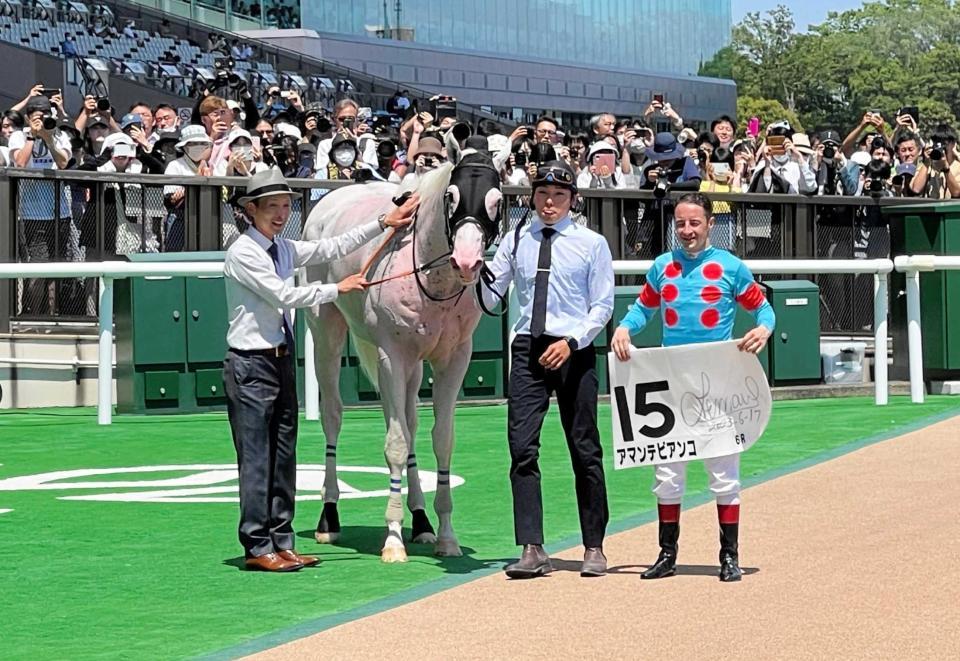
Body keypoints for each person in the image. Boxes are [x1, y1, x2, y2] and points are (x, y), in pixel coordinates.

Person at [222, 169, 419, 571]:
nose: (281, 214)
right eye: (272, 206)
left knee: (284, 456)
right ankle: (258, 546)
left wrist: (383, 223)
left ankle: (282, 540)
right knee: (257, 459)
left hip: (279, 359)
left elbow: (332, 246)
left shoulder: (282, 248)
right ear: (251, 210)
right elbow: (283, 294)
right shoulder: (243, 252)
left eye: (285, 205)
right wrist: (337, 289)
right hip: (250, 364)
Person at [610, 192, 776, 583]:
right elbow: (643, 308)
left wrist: (764, 329)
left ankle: (729, 556)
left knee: (724, 473)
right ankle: (667, 554)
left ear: (710, 225)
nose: (687, 230)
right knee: (667, 474)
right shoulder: (662, 267)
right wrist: (624, 327)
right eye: (681, 223)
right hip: (670, 385)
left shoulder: (730, 267)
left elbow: (763, 308)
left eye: (694, 223)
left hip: (717, 385)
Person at [481, 161, 614, 579]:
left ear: (573, 199)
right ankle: (532, 547)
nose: (549, 202)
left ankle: (594, 545)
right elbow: (491, 293)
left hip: (575, 348)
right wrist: (469, 271)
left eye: (558, 195)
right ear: (532, 197)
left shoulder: (592, 243)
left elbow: (602, 306)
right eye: (542, 194)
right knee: (522, 449)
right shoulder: (516, 238)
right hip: (528, 347)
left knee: (584, 448)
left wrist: (572, 341)